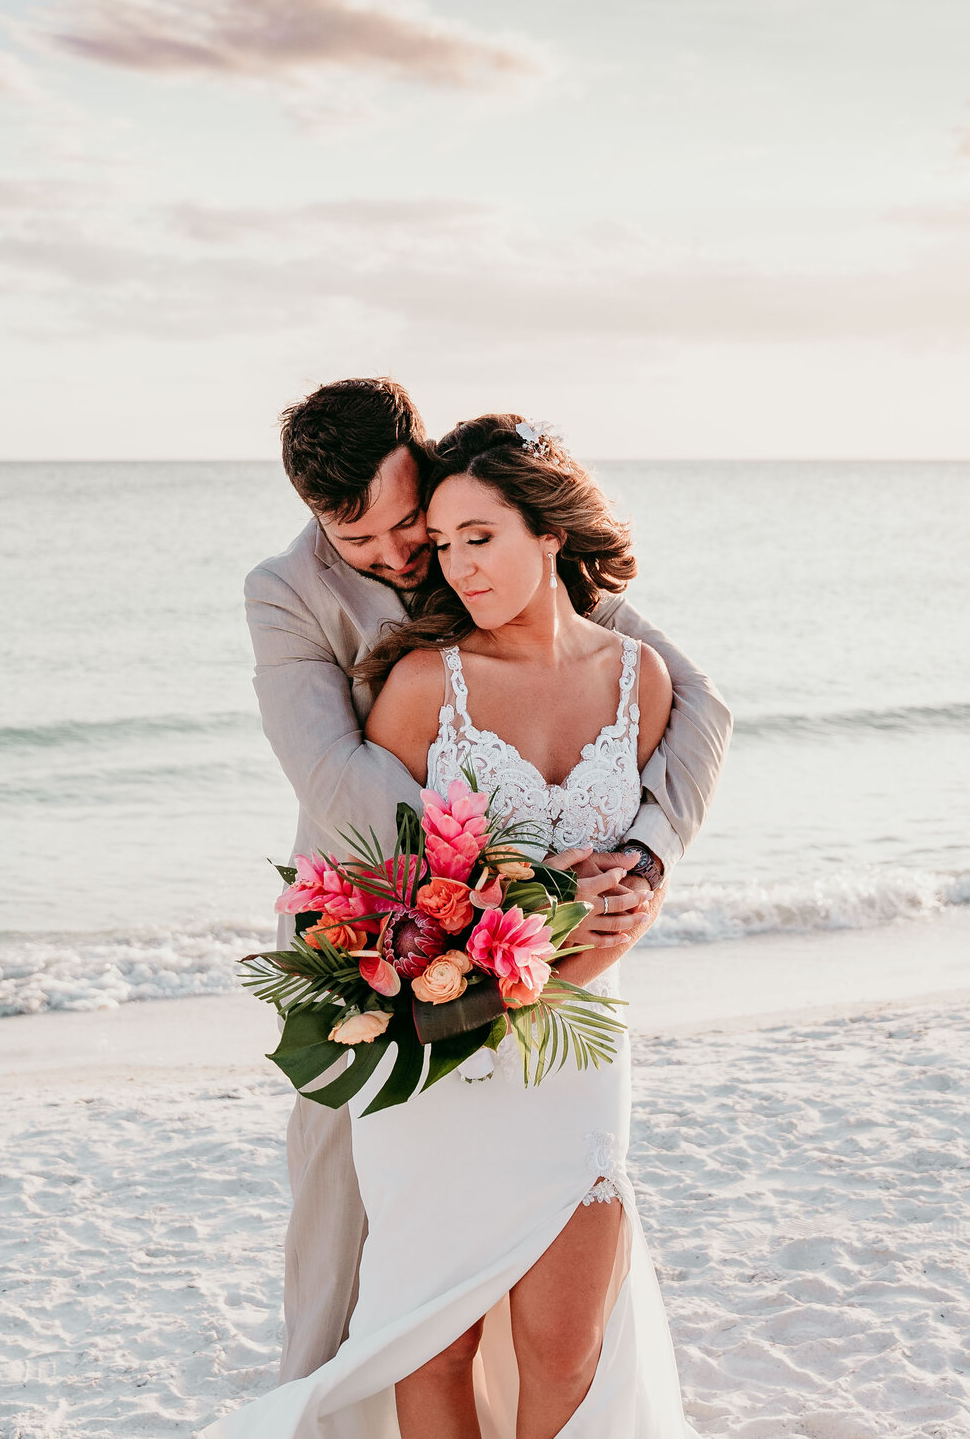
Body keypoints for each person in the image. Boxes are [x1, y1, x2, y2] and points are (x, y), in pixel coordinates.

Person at [214, 411, 716, 1438]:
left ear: (543, 531)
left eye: (441, 534)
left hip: (575, 1029)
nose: (417, 560)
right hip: (403, 980)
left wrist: (645, 870)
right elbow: (344, 790)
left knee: (567, 1337)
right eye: (394, 545)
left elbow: (699, 709)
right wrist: (527, 894)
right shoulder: (329, 619)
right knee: (402, 1307)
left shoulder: (620, 651)